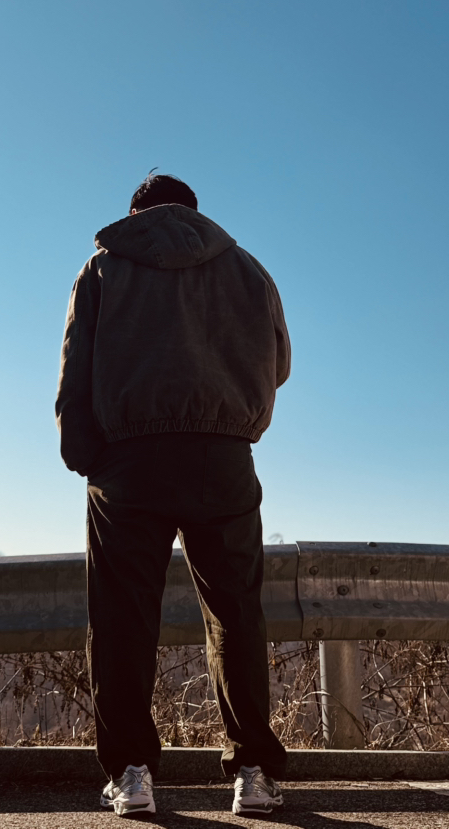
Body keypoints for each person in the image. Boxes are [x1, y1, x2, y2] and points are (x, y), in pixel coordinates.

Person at [55, 173, 291, 817]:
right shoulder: (247, 269)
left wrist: (87, 457)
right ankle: (252, 774)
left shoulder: (105, 266)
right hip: (223, 459)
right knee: (236, 615)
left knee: (123, 620)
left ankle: (132, 772)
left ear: (136, 214)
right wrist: (237, 422)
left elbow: (78, 364)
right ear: (195, 213)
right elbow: (279, 362)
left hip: (128, 462)